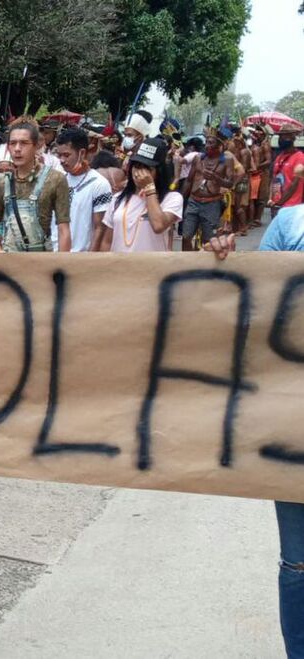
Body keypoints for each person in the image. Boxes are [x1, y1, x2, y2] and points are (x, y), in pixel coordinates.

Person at [204, 212, 304, 659]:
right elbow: (256, 302)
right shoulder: (290, 222)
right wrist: (224, 264)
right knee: (300, 564)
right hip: (294, 424)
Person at [0, 116, 71, 252]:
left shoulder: (56, 179)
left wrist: (60, 266)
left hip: (42, 262)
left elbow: (63, 229)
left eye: (24, 143)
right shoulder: (2, 183)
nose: (17, 149)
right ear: (8, 148)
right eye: (13, 143)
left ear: (37, 145)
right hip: (9, 262)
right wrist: (0, 254)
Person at [99, 138, 183, 253]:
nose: (139, 173)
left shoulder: (172, 198)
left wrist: (149, 188)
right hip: (119, 268)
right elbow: (107, 241)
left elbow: (159, 225)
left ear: (159, 172)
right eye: (137, 166)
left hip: (152, 268)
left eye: (147, 168)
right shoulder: (118, 198)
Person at [54, 128, 113, 252]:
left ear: (82, 153)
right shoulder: (58, 179)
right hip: (53, 254)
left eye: (66, 155)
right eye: (59, 155)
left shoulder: (99, 184)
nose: (62, 160)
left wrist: (89, 260)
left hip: (79, 258)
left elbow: (100, 228)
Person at [181, 132, 235, 251]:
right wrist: (181, 200)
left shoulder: (227, 160)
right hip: (193, 201)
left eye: (211, 143)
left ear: (220, 146)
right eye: (206, 142)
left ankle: (206, 268)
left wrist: (216, 178)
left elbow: (230, 183)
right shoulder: (198, 158)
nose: (207, 145)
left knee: (210, 241)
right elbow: (189, 180)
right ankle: (184, 264)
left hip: (212, 204)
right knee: (186, 236)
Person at [270, 126, 304, 216]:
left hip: (291, 206)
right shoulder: (279, 157)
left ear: (292, 137)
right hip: (277, 205)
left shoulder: (300, 157)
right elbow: (274, 179)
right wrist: (271, 200)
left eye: (284, 136)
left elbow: (294, 184)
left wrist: (280, 203)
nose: (281, 139)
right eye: (280, 136)